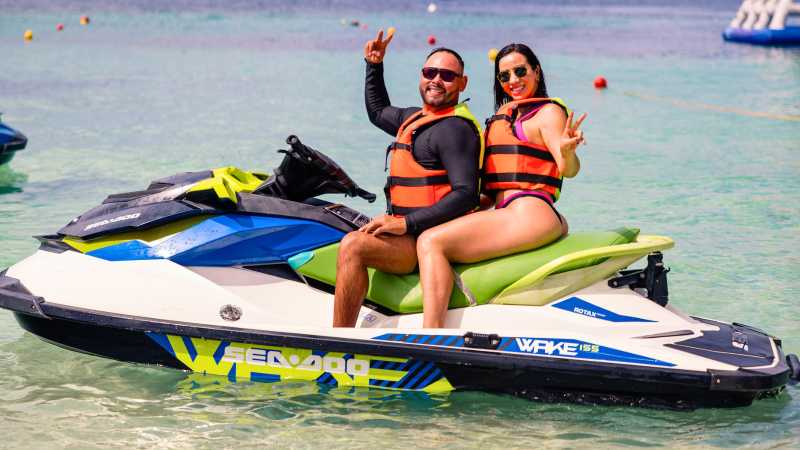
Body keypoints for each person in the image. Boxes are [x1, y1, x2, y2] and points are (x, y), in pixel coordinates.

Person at [415, 43, 587, 328]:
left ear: (536, 71)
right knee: (429, 230)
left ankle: (430, 339)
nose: (513, 81)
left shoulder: (547, 113)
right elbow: (491, 190)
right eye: (504, 76)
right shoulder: (505, 117)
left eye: (520, 71)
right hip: (509, 213)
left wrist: (568, 152)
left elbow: (569, 170)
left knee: (431, 242)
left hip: (529, 213)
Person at [332, 31, 483, 327]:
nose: (436, 80)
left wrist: (403, 224)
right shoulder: (414, 118)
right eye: (430, 72)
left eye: (447, 75)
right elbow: (377, 111)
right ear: (421, 76)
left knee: (352, 245)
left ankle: (340, 341)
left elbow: (467, 193)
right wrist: (373, 64)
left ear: (462, 83)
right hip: (406, 231)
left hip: (425, 239)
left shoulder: (454, 130)